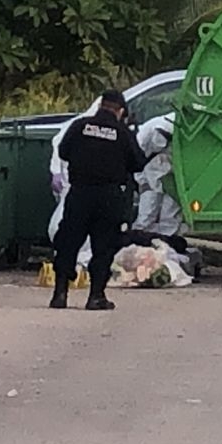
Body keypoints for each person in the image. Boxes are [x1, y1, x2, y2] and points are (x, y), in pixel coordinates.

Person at [50, 90, 147, 311]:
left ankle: (60, 294)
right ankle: (96, 296)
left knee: (68, 242)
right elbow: (138, 163)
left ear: (101, 106)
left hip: (80, 193)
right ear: (120, 111)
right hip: (108, 196)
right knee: (103, 247)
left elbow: (64, 152)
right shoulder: (122, 132)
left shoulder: (80, 126)